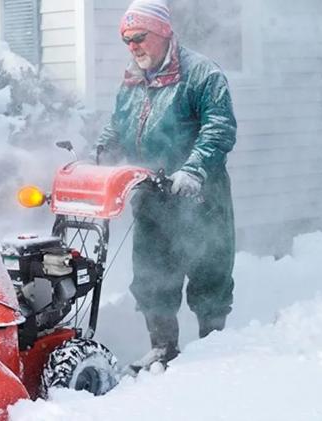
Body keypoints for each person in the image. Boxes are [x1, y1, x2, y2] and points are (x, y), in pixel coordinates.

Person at [95, 0, 237, 373]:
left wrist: (193, 171)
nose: (133, 46)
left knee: (209, 274)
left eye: (139, 37)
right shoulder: (132, 79)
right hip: (153, 198)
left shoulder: (203, 75)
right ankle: (163, 348)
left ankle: (213, 347)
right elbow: (117, 127)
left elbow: (218, 129)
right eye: (126, 40)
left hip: (199, 195)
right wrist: (100, 157)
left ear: (162, 33)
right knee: (153, 275)